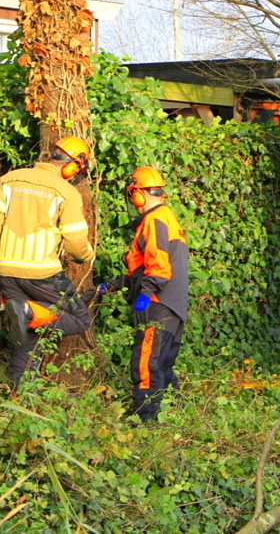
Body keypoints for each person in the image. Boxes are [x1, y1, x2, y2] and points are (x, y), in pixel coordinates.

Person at [0, 136, 96, 390]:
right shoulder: (66, 191)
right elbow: (75, 240)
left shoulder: (10, 179)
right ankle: (29, 310)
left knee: (27, 342)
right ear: (73, 166)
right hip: (42, 273)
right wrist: (86, 256)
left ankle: (21, 400)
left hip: (6, 271)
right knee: (80, 317)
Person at [100, 166, 189, 422]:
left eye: (132, 196)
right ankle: (179, 418)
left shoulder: (154, 220)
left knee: (146, 365)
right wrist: (115, 284)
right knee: (163, 365)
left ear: (138, 194)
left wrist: (144, 296)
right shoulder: (166, 218)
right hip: (172, 305)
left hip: (158, 303)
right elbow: (146, 268)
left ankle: (146, 422)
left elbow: (159, 269)